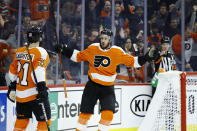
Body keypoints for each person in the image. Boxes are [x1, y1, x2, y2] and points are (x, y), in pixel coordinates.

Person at [55, 28, 157, 131]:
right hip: (92, 86)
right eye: (102, 38)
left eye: (106, 38)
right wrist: (64, 49)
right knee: (85, 115)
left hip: (107, 89)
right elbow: (78, 56)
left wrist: (146, 58)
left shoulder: (117, 51)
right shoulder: (93, 48)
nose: (103, 40)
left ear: (110, 40)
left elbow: (133, 61)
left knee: (108, 115)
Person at [7, 26, 51, 131]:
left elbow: (12, 73)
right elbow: (38, 72)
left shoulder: (20, 51)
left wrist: (13, 85)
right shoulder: (41, 52)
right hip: (35, 95)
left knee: (21, 123)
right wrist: (42, 89)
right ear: (40, 37)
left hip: (21, 95)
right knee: (45, 121)